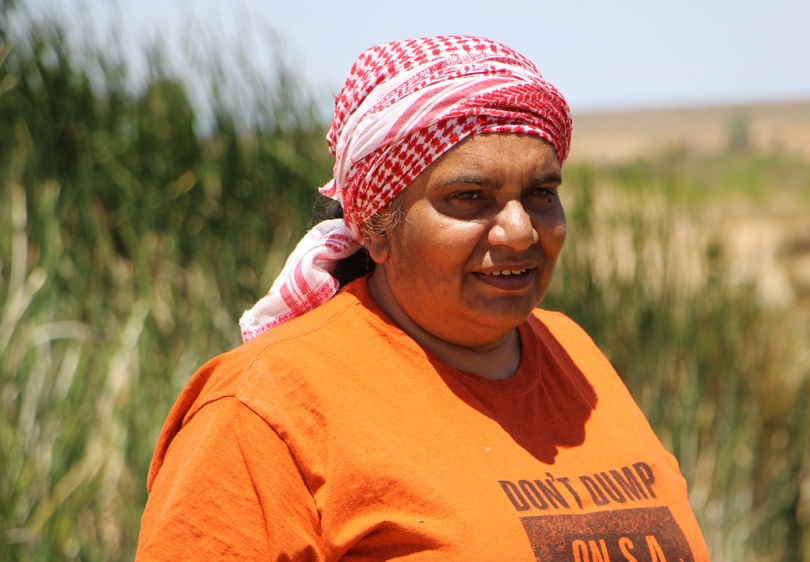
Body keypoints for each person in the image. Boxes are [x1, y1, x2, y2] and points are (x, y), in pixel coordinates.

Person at [136, 36, 710, 562]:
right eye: (469, 197)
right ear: (378, 225)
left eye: (540, 193)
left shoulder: (575, 354)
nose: (520, 230)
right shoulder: (266, 408)